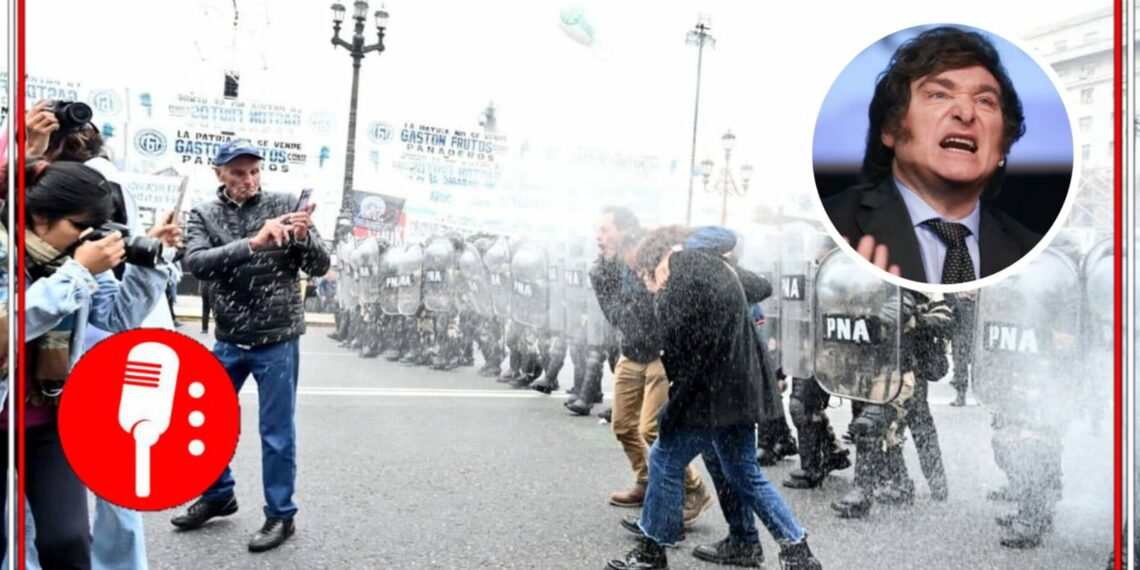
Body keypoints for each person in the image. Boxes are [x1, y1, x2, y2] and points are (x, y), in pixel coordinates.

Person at [606, 228, 822, 570]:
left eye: (644, 276)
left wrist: (675, 254)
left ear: (656, 266)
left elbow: (687, 364)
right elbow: (744, 270)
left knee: (664, 458)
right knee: (743, 472)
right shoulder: (709, 268)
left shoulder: (682, 275)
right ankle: (795, 551)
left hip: (715, 393)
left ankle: (652, 552)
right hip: (736, 388)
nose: (647, 286)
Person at [27, 99, 180, 570]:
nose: (85, 237)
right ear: (38, 216)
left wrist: (151, 263)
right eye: (77, 226)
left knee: (69, 540)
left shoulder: (80, 253)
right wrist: (75, 272)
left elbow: (116, 316)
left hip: (51, 417)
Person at [172, 139, 330, 553]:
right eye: (239, 173)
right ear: (219, 173)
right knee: (202, 418)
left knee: (276, 431)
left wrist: (301, 237)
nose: (249, 180)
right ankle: (218, 493)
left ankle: (281, 515)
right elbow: (196, 263)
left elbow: (320, 266)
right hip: (228, 336)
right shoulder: (204, 213)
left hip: (276, 336)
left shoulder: (284, 202)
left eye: (254, 171)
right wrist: (254, 243)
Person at [824, 26, 1039, 284]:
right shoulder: (830, 228)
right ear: (891, 129)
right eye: (939, 94)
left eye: (985, 101)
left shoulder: (1035, 255)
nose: (965, 112)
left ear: (1003, 146)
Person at [590, 209, 713, 525]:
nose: (598, 237)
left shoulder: (650, 253)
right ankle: (645, 482)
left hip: (660, 354)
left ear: (624, 231)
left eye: (604, 230)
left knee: (652, 428)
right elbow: (614, 314)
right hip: (631, 353)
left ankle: (694, 488)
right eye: (598, 231)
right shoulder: (604, 270)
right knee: (622, 425)